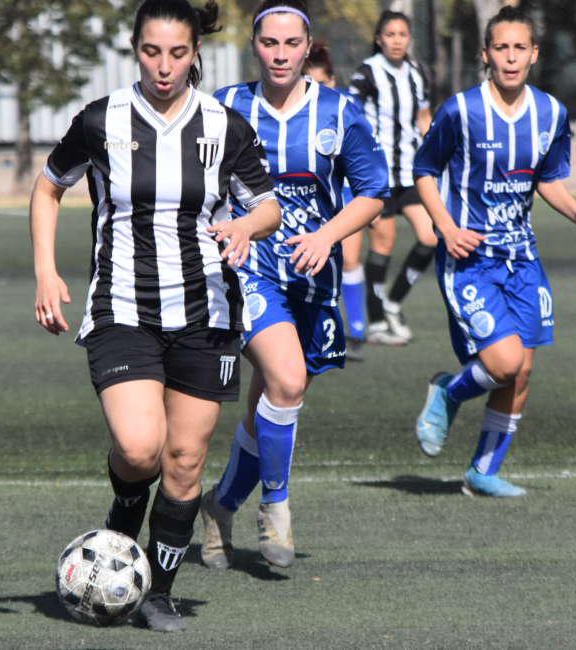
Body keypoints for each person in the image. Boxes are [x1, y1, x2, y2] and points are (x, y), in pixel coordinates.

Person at [30, 0, 280, 631]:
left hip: (207, 311)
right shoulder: (101, 119)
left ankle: (157, 593)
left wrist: (247, 224)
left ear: (196, 53)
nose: (163, 67)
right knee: (141, 450)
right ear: (134, 49)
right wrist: (46, 270)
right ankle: (122, 519)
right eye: (151, 52)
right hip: (123, 307)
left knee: (186, 460)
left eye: (176, 53)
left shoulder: (225, 125)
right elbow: (49, 184)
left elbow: (270, 207)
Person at [199, 0, 388, 570]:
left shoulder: (339, 112)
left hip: (311, 278)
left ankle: (221, 505)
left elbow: (373, 192)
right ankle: (276, 509)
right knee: (286, 378)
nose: (279, 54)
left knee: (272, 401)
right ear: (253, 46)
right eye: (268, 43)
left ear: (308, 48)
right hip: (248, 271)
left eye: (290, 44)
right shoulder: (226, 108)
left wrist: (327, 236)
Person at [412, 6, 576, 497]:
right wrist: (445, 227)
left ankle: (483, 471)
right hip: (470, 258)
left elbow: (549, 180)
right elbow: (424, 171)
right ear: (485, 54)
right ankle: (446, 391)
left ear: (534, 54)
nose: (510, 57)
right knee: (503, 362)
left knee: (521, 369)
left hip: (523, 259)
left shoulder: (551, 113)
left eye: (520, 47)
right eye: (501, 47)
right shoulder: (461, 110)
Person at [347, 10, 435, 347]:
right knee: (383, 241)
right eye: (390, 34)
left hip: (410, 172)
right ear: (379, 38)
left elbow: (424, 116)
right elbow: (351, 117)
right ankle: (377, 320)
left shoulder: (416, 73)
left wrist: (434, 152)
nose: (397, 40)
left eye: (402, 34)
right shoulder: (367, 72)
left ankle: (393, 302)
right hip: (379, 176)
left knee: (430, 237)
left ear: (408, 38)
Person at [305, 42, 369, 362]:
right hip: (309, 200)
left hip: (344, 195)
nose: (316, 88)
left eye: (322, 82)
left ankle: (357, 327)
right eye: (310, 81)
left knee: (350, 257)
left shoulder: (345, 107)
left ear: (332, 81)